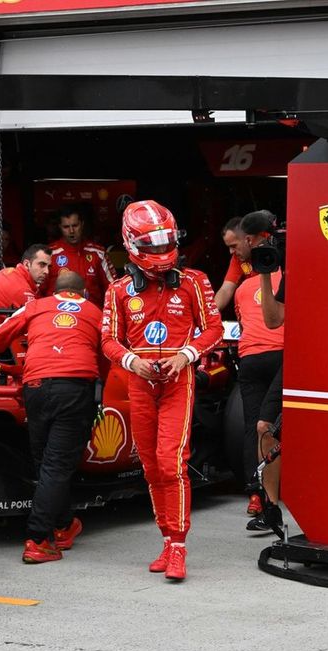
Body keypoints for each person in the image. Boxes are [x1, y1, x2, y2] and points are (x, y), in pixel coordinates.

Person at [101, 200, 223, 581]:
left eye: (164, 243)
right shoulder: (118, 290)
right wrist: (130, 362)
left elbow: (214, 329)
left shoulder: (194, 281)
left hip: (178, 380)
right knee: (151, 466)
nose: (160, 253)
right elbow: (107, 339)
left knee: (172, 462)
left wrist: (186, 355)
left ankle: (180, 547)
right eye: (151, 246)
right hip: (139, 380)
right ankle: (167, 539)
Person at [0, 272, 103, 564]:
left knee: (46, 463)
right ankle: (38, 538)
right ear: (82, 293)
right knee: (57, 465)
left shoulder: (37, 306)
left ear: (55, 291)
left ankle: (64, 525)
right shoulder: (94, 311)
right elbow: (108, 351)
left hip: (36, 387)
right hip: (74, 388)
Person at [222, 212, 285, 530]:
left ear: (250, 240)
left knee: (257, 427)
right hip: (274, 356)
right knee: (263, 427)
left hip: (260, 358)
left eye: (235, 247)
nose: (233, 253)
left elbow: (226, 301)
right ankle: (266, 499)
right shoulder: (261, 277)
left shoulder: (246, 287)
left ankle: (259, 496)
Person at [249, 210, 286, 533]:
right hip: (299, 358)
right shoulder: (289, 269)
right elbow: (274, 320)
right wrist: (265, 270)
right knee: (264, 426)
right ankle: (272, 507)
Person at [0, 244, 51, 353]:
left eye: (49, 266)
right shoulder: (21, 290)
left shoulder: (11, 272)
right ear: (27, 264)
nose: (46, 271)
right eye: (42, 265)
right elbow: (37, 327)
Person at [44, 205, 116, 306]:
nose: (71, 231)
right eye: (66, 227)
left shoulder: (98, 253)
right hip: (56, 316)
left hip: (92, 316)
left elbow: (114, 289)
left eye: (75, 225)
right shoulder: (48, 254)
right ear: (60, 227)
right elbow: (37, 290)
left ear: (82, 224)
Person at [214, 217, 252, 313]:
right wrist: (209, 314)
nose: (231, 252)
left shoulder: (272, 253)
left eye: (234, 246)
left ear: (248, 239)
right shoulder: (237, 257)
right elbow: (226, 290)